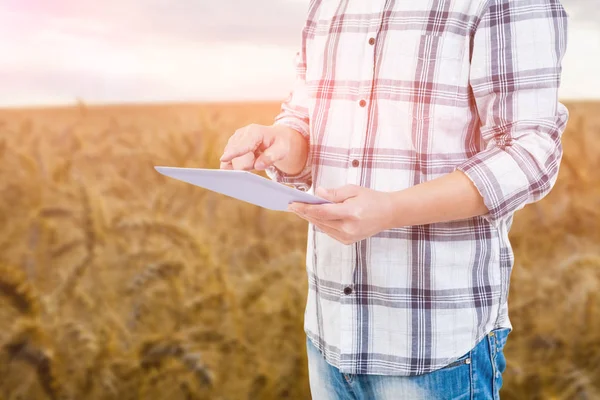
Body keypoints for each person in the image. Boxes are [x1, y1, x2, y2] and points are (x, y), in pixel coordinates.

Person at [219, 0, 569, 398]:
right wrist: (282, 142)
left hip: (434, 349)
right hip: (329, 333)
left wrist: (391, 210)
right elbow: (304, 117)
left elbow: (529, 153)